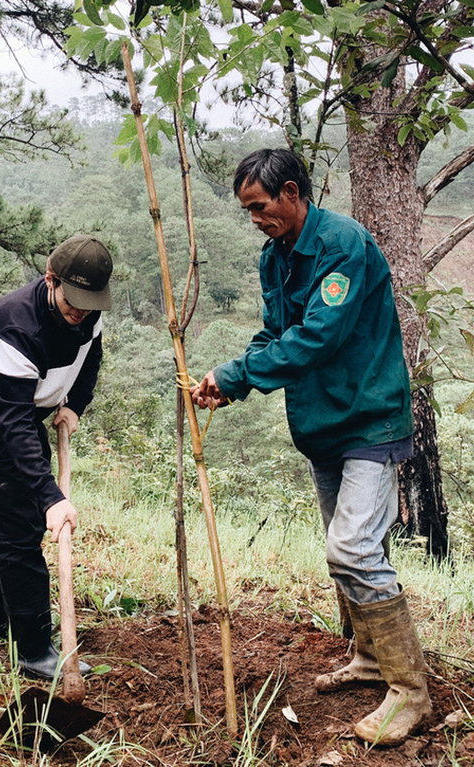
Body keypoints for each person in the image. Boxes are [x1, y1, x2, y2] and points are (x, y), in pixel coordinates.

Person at [191, 149, 431, 746]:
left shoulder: (342, 245)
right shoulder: (276, 258)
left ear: (292, 192)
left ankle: (410, 692)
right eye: (247, 210)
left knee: (352, 548)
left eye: (259, 206)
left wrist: (238, 374)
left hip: (369, 420)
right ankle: (372, 661)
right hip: (322, 424)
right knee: (346, 550)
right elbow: (275, 334)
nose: (254, 219)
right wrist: (234, 381)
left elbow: (318, 336)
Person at [0, 234, 113, 680]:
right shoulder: (17, 329)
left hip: (24, 410)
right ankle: (34, 650)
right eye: (72, 300)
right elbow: (14, 427)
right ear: (50, 278)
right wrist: (51, 496)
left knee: (18, 522)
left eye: (90, 302)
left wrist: (75, 403)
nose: (80, 311)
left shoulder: (88, 315)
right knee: (19, 529)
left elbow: (90, 357)